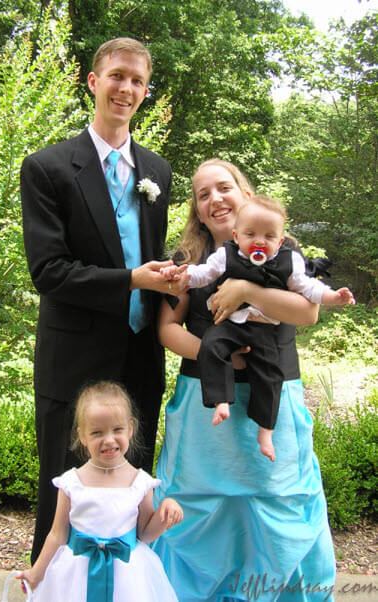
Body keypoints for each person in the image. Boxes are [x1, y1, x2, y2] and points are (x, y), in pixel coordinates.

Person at [20, 37, 185, 563]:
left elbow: (150, 256)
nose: (127, 88)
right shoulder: (47, 168)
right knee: (64, 496)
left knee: (132, 497)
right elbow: (49, 272)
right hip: (74, 362)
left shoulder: (157, 171)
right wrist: (135, 279)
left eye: (138, 81)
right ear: (93, 81)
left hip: (140, 357)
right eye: (117, 76)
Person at [153, 159, 337, 601]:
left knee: (278, 504)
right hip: (204, 405)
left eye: (224, 187)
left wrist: (248, 292)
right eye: (203, 195)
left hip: (272, 402)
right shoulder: (188, 262)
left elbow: (308, 312)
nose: (215, 199)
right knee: (199, 510)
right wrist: (219, 357)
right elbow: (167, 330)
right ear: (198, 211)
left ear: (246, 194)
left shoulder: (283, 250)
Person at [161, 194, 354, 460]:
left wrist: (333, 297)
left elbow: (308, 291)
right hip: (231, 325)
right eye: (251, 234)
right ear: (236, 235)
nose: (259, 241)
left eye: (268, 236)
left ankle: (265, 431)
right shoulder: (224, 255)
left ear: (280, 240)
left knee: (269, 375)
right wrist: (182, 275)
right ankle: (221, 400)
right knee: (212, 345)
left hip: (263, 331)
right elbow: (202, 273)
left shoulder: (290, 260)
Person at [17, 381, 183, 601]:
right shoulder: (71, 483)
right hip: (77, 573)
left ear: (130, 429)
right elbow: (57, 535)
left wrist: (164, 513)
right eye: (97, 432)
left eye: (117, 430)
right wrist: (36, 573)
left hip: (128, 575)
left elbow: (144, 534)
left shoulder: (140, 482)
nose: (109, 440)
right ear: (82, 436)